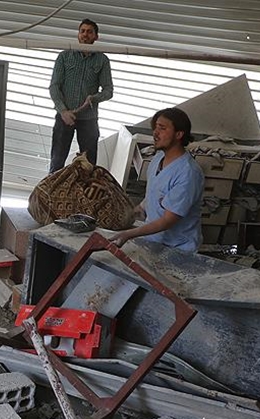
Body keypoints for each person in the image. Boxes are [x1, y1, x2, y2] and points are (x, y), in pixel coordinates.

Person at [109, 107, 204, 252]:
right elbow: (154, 193)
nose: (155, 133)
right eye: (155, 128)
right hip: (152, 241)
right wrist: (137, 210)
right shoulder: (158, 159)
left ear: (178, 134)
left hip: (178, 249)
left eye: (162, 128)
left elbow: (167, 221)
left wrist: (129, 234)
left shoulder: (188, 173)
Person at [48, 18, 114, 173]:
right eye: (82, 31)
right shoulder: (64, 56)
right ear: (78, 34)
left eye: (89, 32)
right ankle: (51, 194)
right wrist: (63, 111)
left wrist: (94, 98)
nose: (85, 35)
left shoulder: (102, 60)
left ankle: (85, 194)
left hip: (88, 119)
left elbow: (108, 90)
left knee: (89, 164)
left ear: (96, 37)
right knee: (57, 160)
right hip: (64, 117)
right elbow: (54, 86)